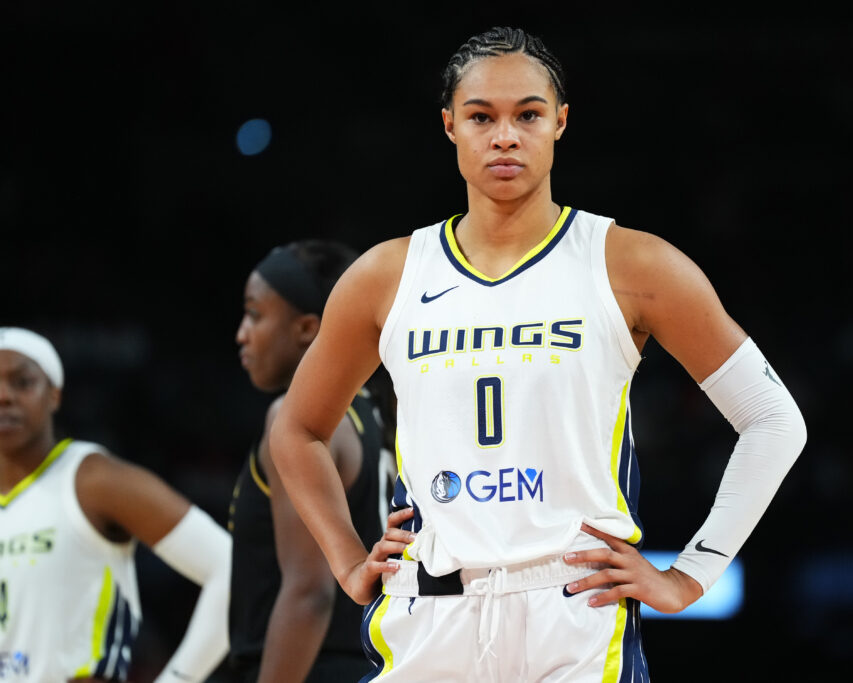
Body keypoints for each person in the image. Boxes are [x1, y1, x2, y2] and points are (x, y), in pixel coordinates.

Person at [269, 26, 808, 682]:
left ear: (560, 122)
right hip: (428, 610)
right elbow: (296, 430)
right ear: (449, 126)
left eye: (527, 114)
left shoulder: (632, 263)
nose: (504, 136)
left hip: (574, 610)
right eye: (481, 116)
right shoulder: (387, 275)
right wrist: (348, 561)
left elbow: (773, 419)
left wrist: (692, 573)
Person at [0, 326, 230, 683]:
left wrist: (179, 679)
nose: (4, 396)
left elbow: (228, 565)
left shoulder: (93, 480)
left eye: (23, 382)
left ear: (54, 395)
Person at [228, 240, 400, 682]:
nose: (242, 333)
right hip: (375, 661)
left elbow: (310, 593)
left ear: (307, 328)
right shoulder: (378, 416)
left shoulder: (297, 425)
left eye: (255, 314)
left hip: (309, 668)